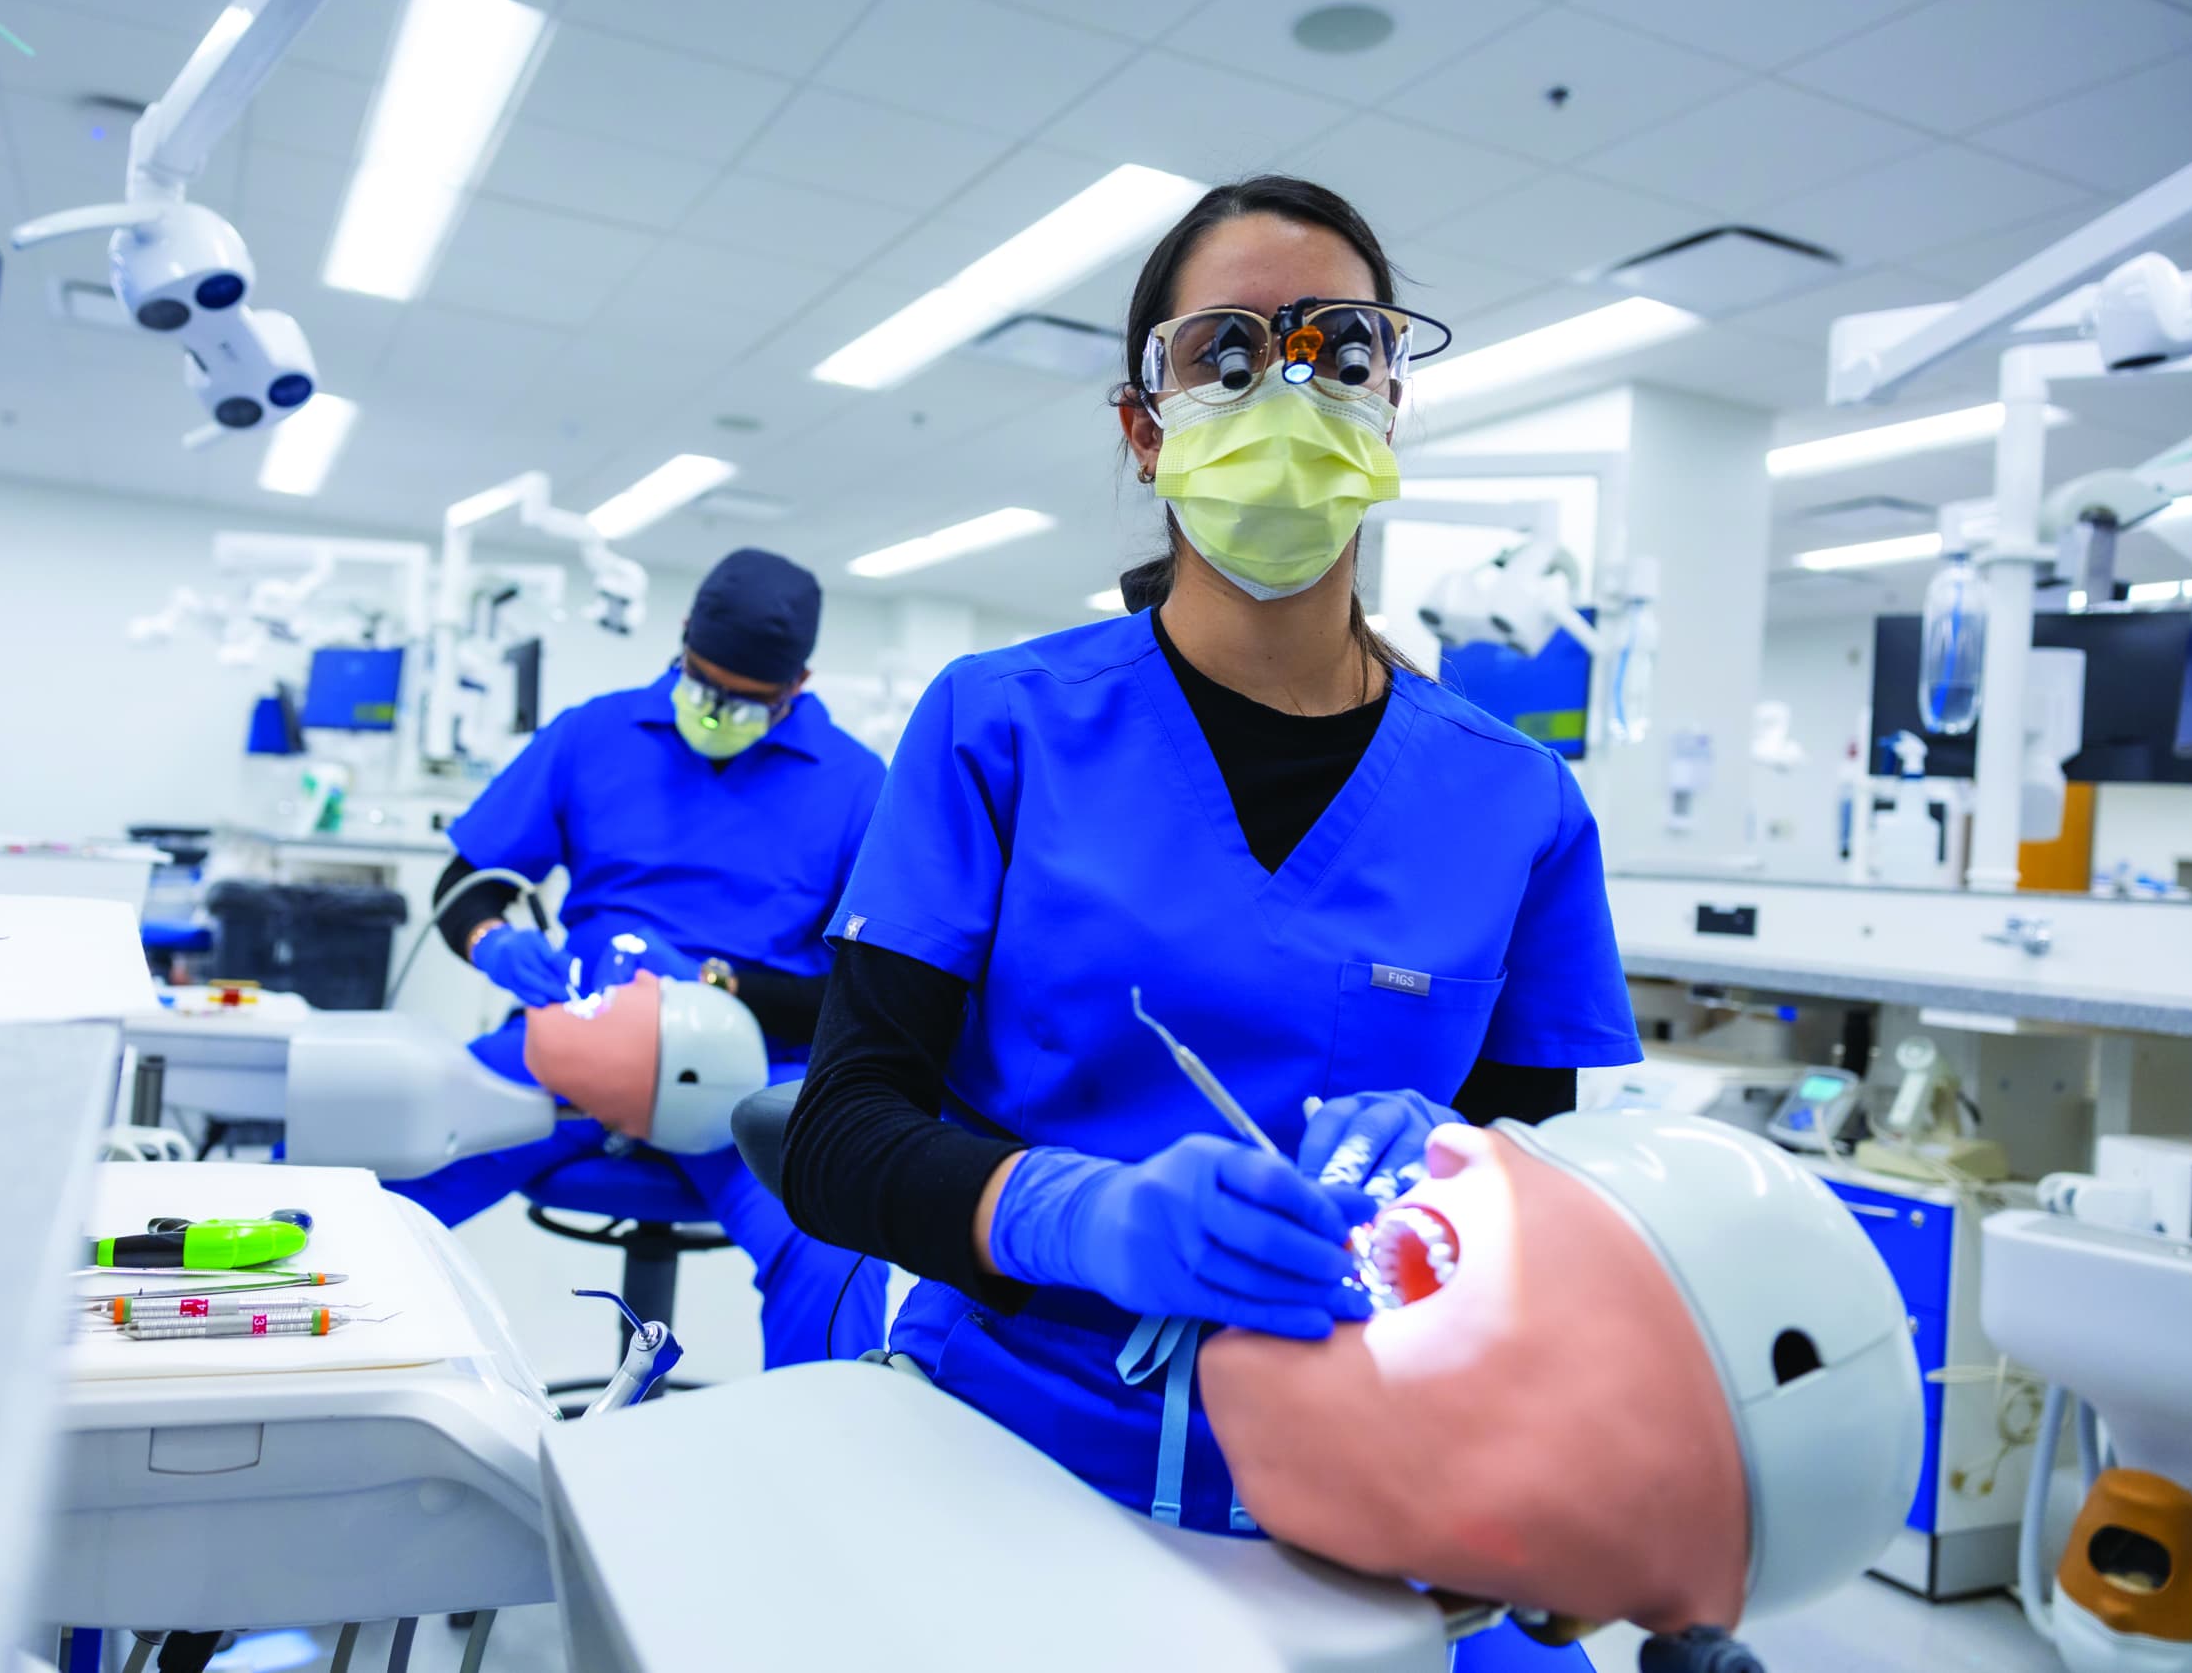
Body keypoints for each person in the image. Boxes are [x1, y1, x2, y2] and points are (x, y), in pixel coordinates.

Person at [780, 177, 1641, 1669]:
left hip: (1372, 1470)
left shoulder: (1517, 803)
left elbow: (1541, 1202)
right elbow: (842, 1131)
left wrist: (1550, 1418)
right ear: (1144, 424)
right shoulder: (1000, 726)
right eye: (1229, 354)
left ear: (1394, 400)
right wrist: (1078, 1212)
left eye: (1343, 347)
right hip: (1011, 1431)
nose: (1291, 388)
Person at [395, 547, 888, 1367]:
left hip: (751, 1079)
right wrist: (496, 943)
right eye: (704, 680)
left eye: (749, 699)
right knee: (379, 1165)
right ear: (683, 641)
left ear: (798, 684)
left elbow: (872, 982)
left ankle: (819, 1457)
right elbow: (466, 883)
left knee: (838, 1254)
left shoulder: (857, 784)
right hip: (573, 1047)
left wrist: (721, 985)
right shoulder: (594, 734)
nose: (718, 708)